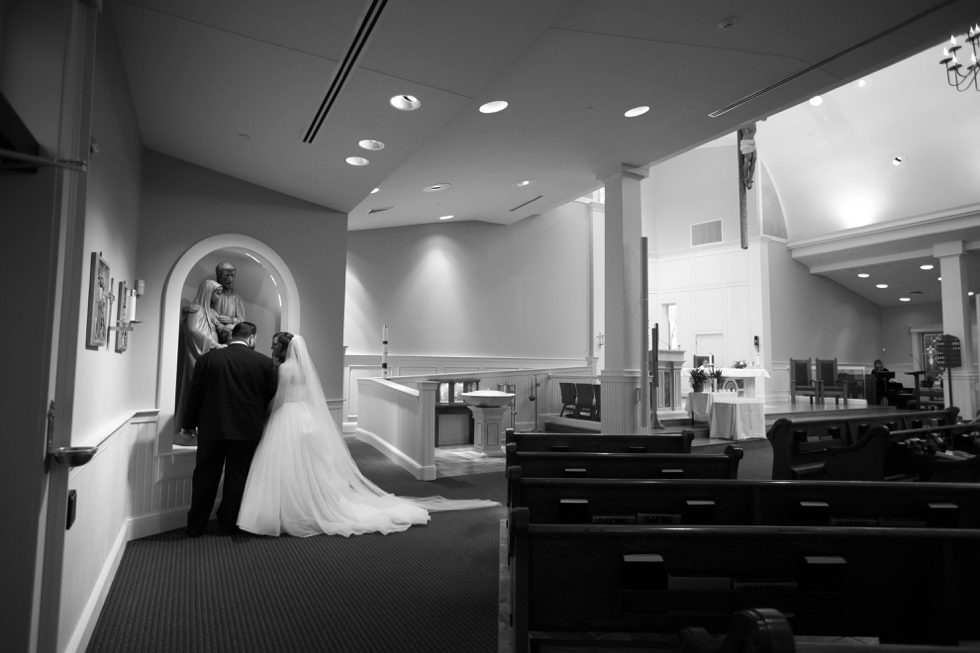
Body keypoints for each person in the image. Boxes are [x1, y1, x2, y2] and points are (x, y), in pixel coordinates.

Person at [238, 334, 498, 537]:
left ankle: (288, 511)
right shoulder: (303, 369)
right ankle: (304, 507)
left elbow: (280, 400)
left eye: (275, 345)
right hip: (305, 416)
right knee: (310, 467)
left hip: (288, 417)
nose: (272, 349)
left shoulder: (285, 369)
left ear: (284, 348)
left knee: (287, 465)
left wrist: (264, 415)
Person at [182, 322, 278, 537]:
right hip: (246, 429)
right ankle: (228, 524)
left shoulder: (207, 359)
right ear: (251, 338)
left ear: (230, 337)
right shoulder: (264, 363)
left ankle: (196, 525)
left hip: (212, 428)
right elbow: (269, 395)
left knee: (204, 476)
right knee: (238, 475)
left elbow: (194, 394)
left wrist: (188, 424)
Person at [173, 279, 225, 443]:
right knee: (194, 387)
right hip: (198, 354)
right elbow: (193, 330)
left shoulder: (212, 312)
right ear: (208, 291)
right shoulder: (195, 309)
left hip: (212, 354)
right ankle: (188, 427)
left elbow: (221, 328)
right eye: (217, 292)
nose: (219, 296)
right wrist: (214, 343)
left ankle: (205, 426)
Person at [211, 261, 247, 344]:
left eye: (232, 275)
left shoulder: (237, 298)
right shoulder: (213, 294)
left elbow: (242, 321)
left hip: (229, 332)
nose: (230, 279)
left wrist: (232, 320)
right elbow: (203, 307)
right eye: (226, 275)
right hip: (213, 329)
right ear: (219, 277)